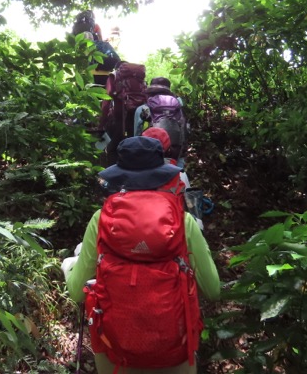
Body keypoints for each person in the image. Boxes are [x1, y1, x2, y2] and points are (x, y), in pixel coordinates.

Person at [64, 137, 220, 374]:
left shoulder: (101, 220)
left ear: (119, 177)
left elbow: (77, 293)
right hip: (174, 355)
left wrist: (69, 266)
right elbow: (213, 290)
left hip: (115, 356)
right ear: (163, 175)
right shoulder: (183, 222)